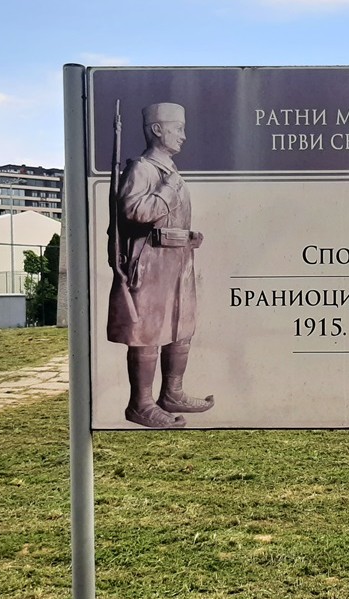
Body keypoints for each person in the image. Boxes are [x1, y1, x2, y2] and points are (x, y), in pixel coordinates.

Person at [107, 102, 213, 428]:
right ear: (156, 129)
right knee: (148, 333)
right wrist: (168, 190)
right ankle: (140, 404)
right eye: (177, 128)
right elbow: (135, 212)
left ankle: (172, 393)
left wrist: (188, 236)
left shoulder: (169, 170)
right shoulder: (143, 169)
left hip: (177, 263)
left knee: (182, 327)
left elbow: (165, 220)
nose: (183, 135)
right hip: (150, 264)